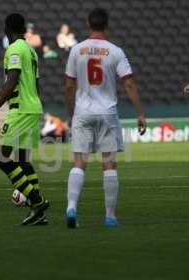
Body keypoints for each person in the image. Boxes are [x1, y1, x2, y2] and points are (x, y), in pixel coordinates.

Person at [64, 8, 147, 228]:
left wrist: (71, 113)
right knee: (109, 165)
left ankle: (71, 207)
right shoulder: (115, 51)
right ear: (106, 25)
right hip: (107, 113)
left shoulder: (76, 50)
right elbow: (128, 83)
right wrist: (139, 113)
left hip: (83, 112)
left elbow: (69, 85)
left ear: (87, 24)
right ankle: (110, 217)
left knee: (79, 163)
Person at [0, 13, 49, 226]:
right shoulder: (31, 51)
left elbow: (12, 80)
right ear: (24, 28)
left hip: (21, 109)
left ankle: (36, 201)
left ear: (6, 29)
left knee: (1, 157)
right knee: (22, 161)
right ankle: (38, 213)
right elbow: (36, 84)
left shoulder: (14, 49)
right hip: (33, 108)